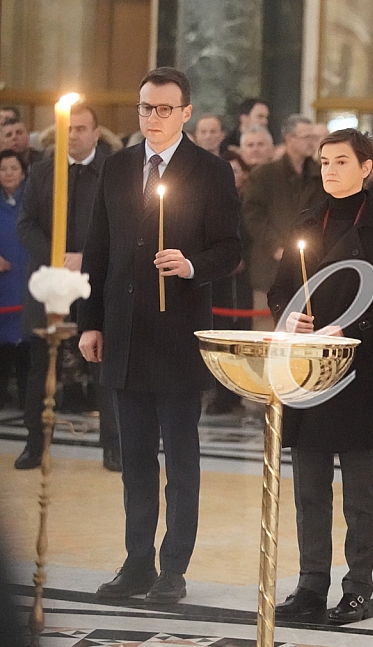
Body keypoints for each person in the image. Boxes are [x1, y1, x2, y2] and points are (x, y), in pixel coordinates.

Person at [79, 67, 242, 604]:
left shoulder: (210, 171)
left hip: (177, 336)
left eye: (164, 108)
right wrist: (91, 322)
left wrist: (191, 264)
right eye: (146, 107)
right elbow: (99, 248)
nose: (153, 117)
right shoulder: (119, 166)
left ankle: (173, 567)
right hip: (125, 333)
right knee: (135, 461)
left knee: (181, 462)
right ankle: (136, 562)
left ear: (186, 112)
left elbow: (231, 249)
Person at [269, 128, 373, 624]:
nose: (330, 170)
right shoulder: (306, 220)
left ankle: (357, 587)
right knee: (309, 488)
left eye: (341, 162)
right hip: (308, 371)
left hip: (361, 372)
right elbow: (280, 290)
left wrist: (349, 328)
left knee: (360, 490)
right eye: (325, 162)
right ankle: (311, 584)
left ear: (366, 167)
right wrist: (289, 316)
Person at [16, 104, 121, 471]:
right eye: (68, 128)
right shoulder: (42, 172)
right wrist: (56, 255)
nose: (73, 134)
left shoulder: (113, 171)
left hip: (97, 282)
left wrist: (86, 258)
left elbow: (124, 225)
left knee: (102, 365)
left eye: (80, 128)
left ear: (96, 133)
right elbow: (26, 223)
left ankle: (113, 446)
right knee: (41, 366)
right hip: (50, 281)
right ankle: (34, 443)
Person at [243, 114, 326, 331]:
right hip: (270, 269)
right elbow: (253, 215)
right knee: (267, 332)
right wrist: (276, 246)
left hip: (311, 268)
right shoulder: (265, 175)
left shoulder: (321, 175)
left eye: (313, 137)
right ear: (289, 138)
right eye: (306, 137)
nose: (311, 142)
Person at [207, 149, 254, 415]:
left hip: (246, 279)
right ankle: (222, 395)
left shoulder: (252, 201)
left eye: (236, 170)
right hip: (219, 281)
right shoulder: (211, 201)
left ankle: (241, 393)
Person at [0, 150, 29, 412]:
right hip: (3, 285)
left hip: (27, 281)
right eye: (3, 169)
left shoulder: (31, 201)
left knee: (27, 345)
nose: (8, 173)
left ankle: (27, 402)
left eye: (13, 168)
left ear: (23, 172)